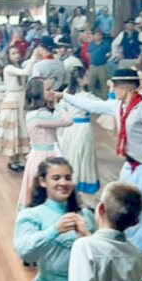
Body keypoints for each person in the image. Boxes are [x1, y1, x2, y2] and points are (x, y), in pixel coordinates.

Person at [60, 70, 142, 279]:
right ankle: (132, 261)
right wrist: (63, 96)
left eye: (115, 86)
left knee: (140, 214)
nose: (111, 90)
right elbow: (92, 106)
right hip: (130, 165)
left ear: (128, 87)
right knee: (121, 207)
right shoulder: (119, 106)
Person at [19, 78, 76, 209]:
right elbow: (68, 120)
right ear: (38, 92)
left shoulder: (34, 113)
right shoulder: (40, 115)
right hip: (45, 155)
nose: (52, 92)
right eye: (48, 89)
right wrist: (57, 104)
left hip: (40, 153)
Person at [56, 74, 100, 203]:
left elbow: (60, 108)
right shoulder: (87, 96)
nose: (89, 77)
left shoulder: (66, 93)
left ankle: (72, 182)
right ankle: (81, 185)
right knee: (83, 156)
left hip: (70, 127)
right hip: (83, 128)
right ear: (80, 79)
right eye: (86, 76)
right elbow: (101, 106)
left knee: (71, 155)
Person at [0, 48, 31, 172]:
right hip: (12, 100)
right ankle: (12, 159)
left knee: (21, 129)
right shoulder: (8, 68)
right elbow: (26, 72)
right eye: (13, 53)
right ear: (8, 56)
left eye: (17, 53)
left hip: (21, 99)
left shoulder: (17, 67)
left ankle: (19, 158)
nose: (16, 55)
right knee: (13, 129)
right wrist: (34, 57)